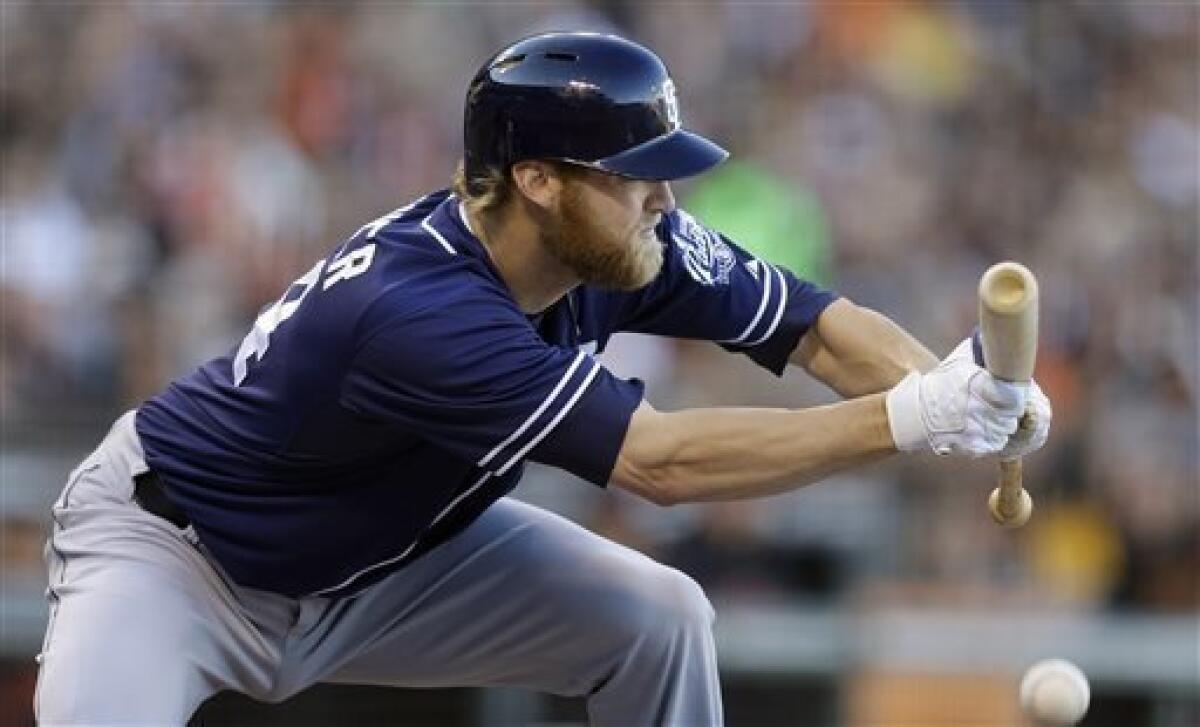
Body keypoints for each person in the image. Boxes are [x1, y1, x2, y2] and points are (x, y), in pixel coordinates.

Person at [34, 31, 1052, 726]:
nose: (665, 196)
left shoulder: (623, 242)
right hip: (182, 559)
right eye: (635, 173)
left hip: (392, 557)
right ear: (538, 180)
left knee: (660, 620)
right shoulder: (416, 310)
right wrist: (909, 418)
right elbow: (658, 465)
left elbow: (817, 328)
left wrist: (963, 390)